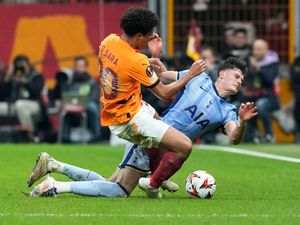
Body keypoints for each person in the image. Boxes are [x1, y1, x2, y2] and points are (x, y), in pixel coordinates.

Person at [27, 57, 257, 198]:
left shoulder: (227, 110)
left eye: (242, 80)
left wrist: (243, 120)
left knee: (111, 183)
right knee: (120, 190)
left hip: (161, 146)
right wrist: (156, 61)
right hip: (152, 134)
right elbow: (161, 78)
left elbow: (234, 136)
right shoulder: (198, 77)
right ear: (222, 74)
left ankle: (55, 165)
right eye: (236, 76)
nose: (239, 81)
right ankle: (56, 186)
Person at [99, 7, 206, 169]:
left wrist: (152, 58)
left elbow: (123, 66)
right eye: (149, 37)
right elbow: (164, 94)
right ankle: (154, 182)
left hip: (123, 108)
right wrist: (191, 74)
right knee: (184, 145)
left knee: (160, 125)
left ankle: (152, 177)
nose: (150, 40)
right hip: (127, 118)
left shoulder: (108, 41)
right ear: (139, 36)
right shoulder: (137, 61)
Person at [240, 39, 280, 142]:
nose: (255, 52)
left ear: (266, 50)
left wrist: (258, 68)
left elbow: (269, 79)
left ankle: (268, 134)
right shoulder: (247, 62)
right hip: (251, 96)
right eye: (254, 49)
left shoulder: (272, 63)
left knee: (261, 105)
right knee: (243, 105)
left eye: (259, 49)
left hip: (269, 97)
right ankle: (253, 134)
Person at [0, 55, 45, 140]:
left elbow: (36, 92)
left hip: (34, 105)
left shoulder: (37, 76)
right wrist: (7, 78)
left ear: (28, 65)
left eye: (23, 66)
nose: (21, 69)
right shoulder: (13, 78)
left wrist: (25, 82)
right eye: (18, 66)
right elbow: (3, 95)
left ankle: (31, 135)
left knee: (20, 105)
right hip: (14, 105)